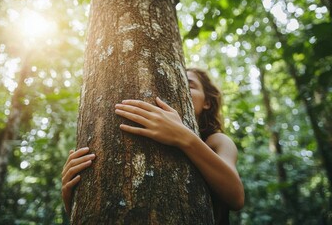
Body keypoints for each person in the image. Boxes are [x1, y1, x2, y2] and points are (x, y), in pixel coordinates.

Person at [61, 68, 244, 223]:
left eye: (190, 84)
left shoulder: (216, 140)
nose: (180, 88)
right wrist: (73, 199)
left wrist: (184, 137)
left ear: (207, 102)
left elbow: (236, 197)